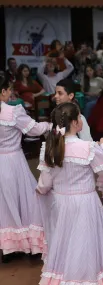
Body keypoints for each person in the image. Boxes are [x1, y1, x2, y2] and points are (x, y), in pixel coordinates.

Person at [36, 102, 103, 285]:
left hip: (61, 203)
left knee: (65, 244)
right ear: (77, 123)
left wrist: (41, 192)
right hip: (85, 203)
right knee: (86, 244)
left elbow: (44, 184)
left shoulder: (50, 147)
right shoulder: (87, 147)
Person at [0, 74, 52, 263]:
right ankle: (29, 245)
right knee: (26, 200)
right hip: (13, 162)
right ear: (4, 92)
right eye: (9, 90)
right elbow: (35, 130)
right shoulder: (12, 113)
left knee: (4, 205)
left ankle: (8, 249)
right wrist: (51, 124)